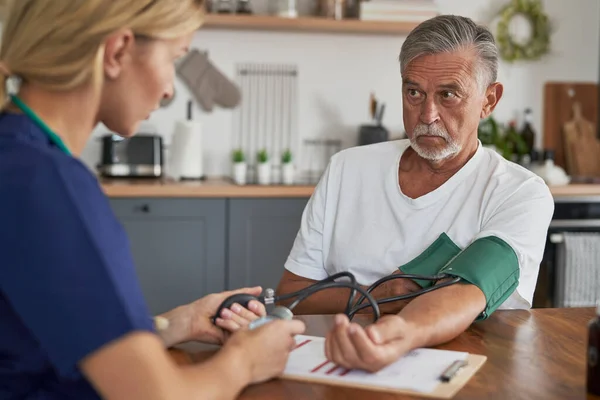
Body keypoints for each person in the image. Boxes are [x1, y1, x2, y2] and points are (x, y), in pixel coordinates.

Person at [0, 1, 304, 399]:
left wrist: (180, 322)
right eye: (174, 59)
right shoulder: (51, 185)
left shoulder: (17, 156)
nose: (168, 90)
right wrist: (246, 360)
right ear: (118, 51)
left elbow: (45, 341)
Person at [273, 15, 554, 372]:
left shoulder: (521, 194)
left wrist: (396, 333)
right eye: (414, 92)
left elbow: (469, 289)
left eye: (448, 94)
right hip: (339, 363)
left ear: (489, 100)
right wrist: (379, 295)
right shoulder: (347, 169)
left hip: (471, 372)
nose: (428, 114)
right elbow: (294, 294)